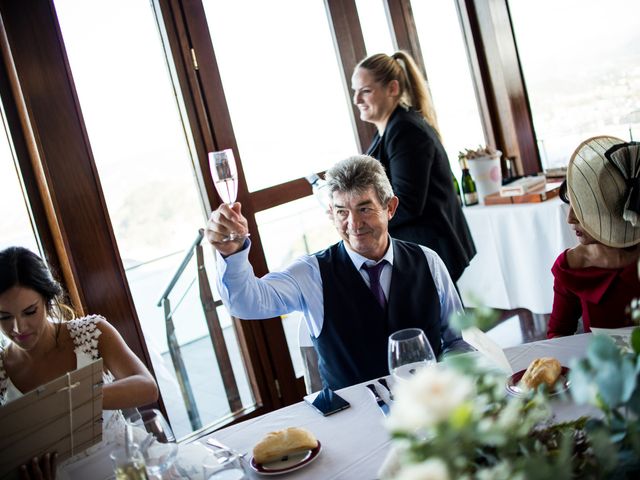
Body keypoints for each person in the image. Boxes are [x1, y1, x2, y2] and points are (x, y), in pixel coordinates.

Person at [206, 155, 467, 390]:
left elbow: (458, 341)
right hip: (353, 421)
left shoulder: (428, 261)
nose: (353, 224)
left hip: (430, 409)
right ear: (330, 213)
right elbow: (246, 303)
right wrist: (233, 254)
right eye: (342, 211)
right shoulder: (310, 273)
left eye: (364, 209)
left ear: (390, 207)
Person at [0, 246, 159, 479]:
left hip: (126, 469)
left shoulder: (91, 332)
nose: (18, 328)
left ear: (47, 299)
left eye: (30, 311)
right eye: (3, 317)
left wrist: (74, 399)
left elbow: (147, 387)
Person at [351, 51, 476, 283]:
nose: (357, 99)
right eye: (355, 91)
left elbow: (407, 202)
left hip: (429, 249)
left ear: (392, 89)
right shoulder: (389, 131)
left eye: (365, 91)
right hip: (419, 249)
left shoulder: (405, 131)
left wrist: (361, 220)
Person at [547, 136, 640, 338]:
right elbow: (558, 335)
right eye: (569, 206)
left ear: (612, 210)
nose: (570, 219)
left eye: (583, 210)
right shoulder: (571, 265)